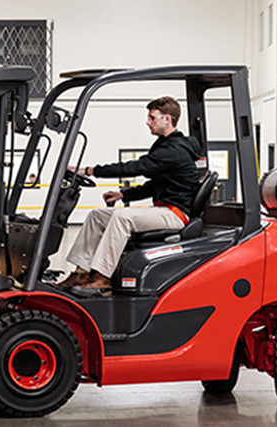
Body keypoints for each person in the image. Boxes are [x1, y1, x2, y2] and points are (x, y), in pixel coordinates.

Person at [57, 96, 201, 297]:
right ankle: (81, 273)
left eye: (152, 118)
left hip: (175, 214)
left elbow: (135, 167)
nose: (148, 122)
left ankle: (102, 278)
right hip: (163, 209)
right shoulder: (166, 145)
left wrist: (89, 170)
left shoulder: (174, 150)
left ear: (167, 119)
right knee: (97, 215)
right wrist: (123, 194)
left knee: (121, 217)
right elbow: (155, 185)